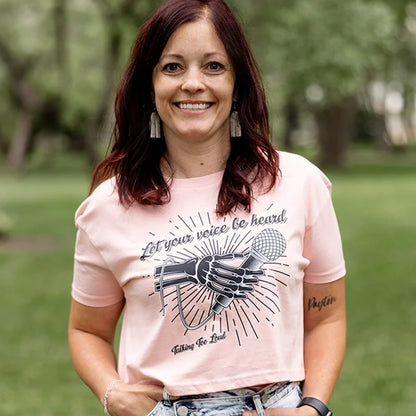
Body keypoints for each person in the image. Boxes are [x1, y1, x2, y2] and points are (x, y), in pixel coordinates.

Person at [68, 1, 346, 415]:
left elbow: (327, 316)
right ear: (150, 87)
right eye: (172, 67)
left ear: (238, 84)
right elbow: (85, 330)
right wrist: (113, 393)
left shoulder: (299, 182)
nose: (193, 83)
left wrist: (312, 409)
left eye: (214, 66)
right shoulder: (109, 207)